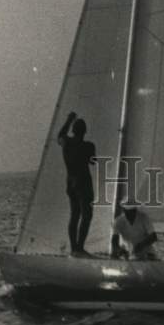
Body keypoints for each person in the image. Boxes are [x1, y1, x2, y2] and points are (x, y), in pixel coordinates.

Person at [57, 110, 96, 257]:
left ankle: (74, 248)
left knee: (75, 215)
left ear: (73, 130)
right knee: (87, 215)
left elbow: (60, 135)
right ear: (85, 131)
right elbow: (93, 162)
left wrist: (69, 119)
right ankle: (79, 248)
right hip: (84, 183)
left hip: (71, 182)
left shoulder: (66, 143)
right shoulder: (88, 146)